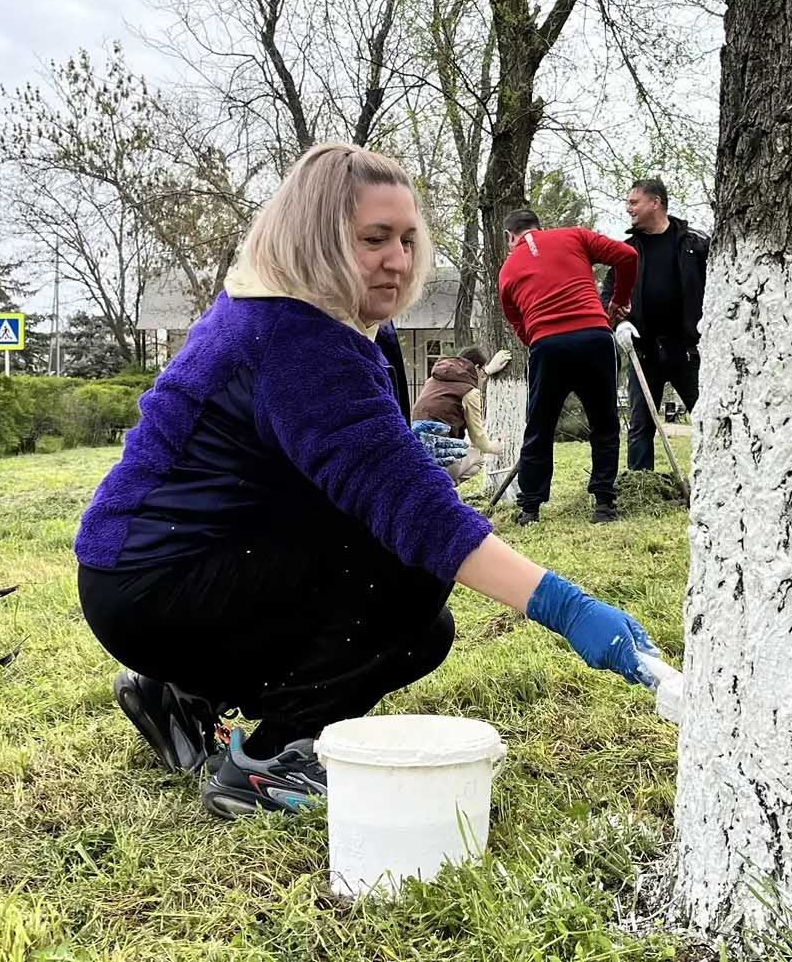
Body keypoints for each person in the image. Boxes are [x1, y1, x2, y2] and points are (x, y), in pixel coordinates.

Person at [73, 144, 658, 820]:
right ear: (315, 239)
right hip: (158, 576)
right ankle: (264, 765)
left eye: (409, 240)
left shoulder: (334, 321)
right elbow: (417, 513)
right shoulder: (294, 334)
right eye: (374, 239)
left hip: (167, 568)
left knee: (423, 628)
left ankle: (180, 696)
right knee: (407, 571)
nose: (400, 259)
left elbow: (340, 460)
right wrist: (568, 608)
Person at [497, 210, 637, 525]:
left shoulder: (507, 271)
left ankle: (530, 509)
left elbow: (519, 324)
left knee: (539, 428)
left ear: (510, 237)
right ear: (539, 226)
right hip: (594, 337)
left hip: (548, 346)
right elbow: (627, 256)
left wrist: (540, 338)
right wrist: (618, 301)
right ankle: (604, 505)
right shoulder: (574, 235)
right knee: (604, 423)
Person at [605, 179, 709, 472]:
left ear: (656, 202)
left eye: (634, 203)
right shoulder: (625, 252)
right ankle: (641, 483)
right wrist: (620, 324)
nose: (629, 209)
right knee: (640, 425)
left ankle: (713, 479)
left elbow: (716, 289)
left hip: (688, 350)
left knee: (706, 417)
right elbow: (607, 295)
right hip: (644, 351)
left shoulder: (695, 245)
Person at [410, 345, 511, 482]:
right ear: (476, 368)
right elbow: (478, 438)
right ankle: (445, 488)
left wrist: (486, 371)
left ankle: (438, 488)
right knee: (478, 457)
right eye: (482, 371)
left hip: (414, 456)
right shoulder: (469, 393)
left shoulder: (432, 381)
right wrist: (495, 448)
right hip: (440, 459)